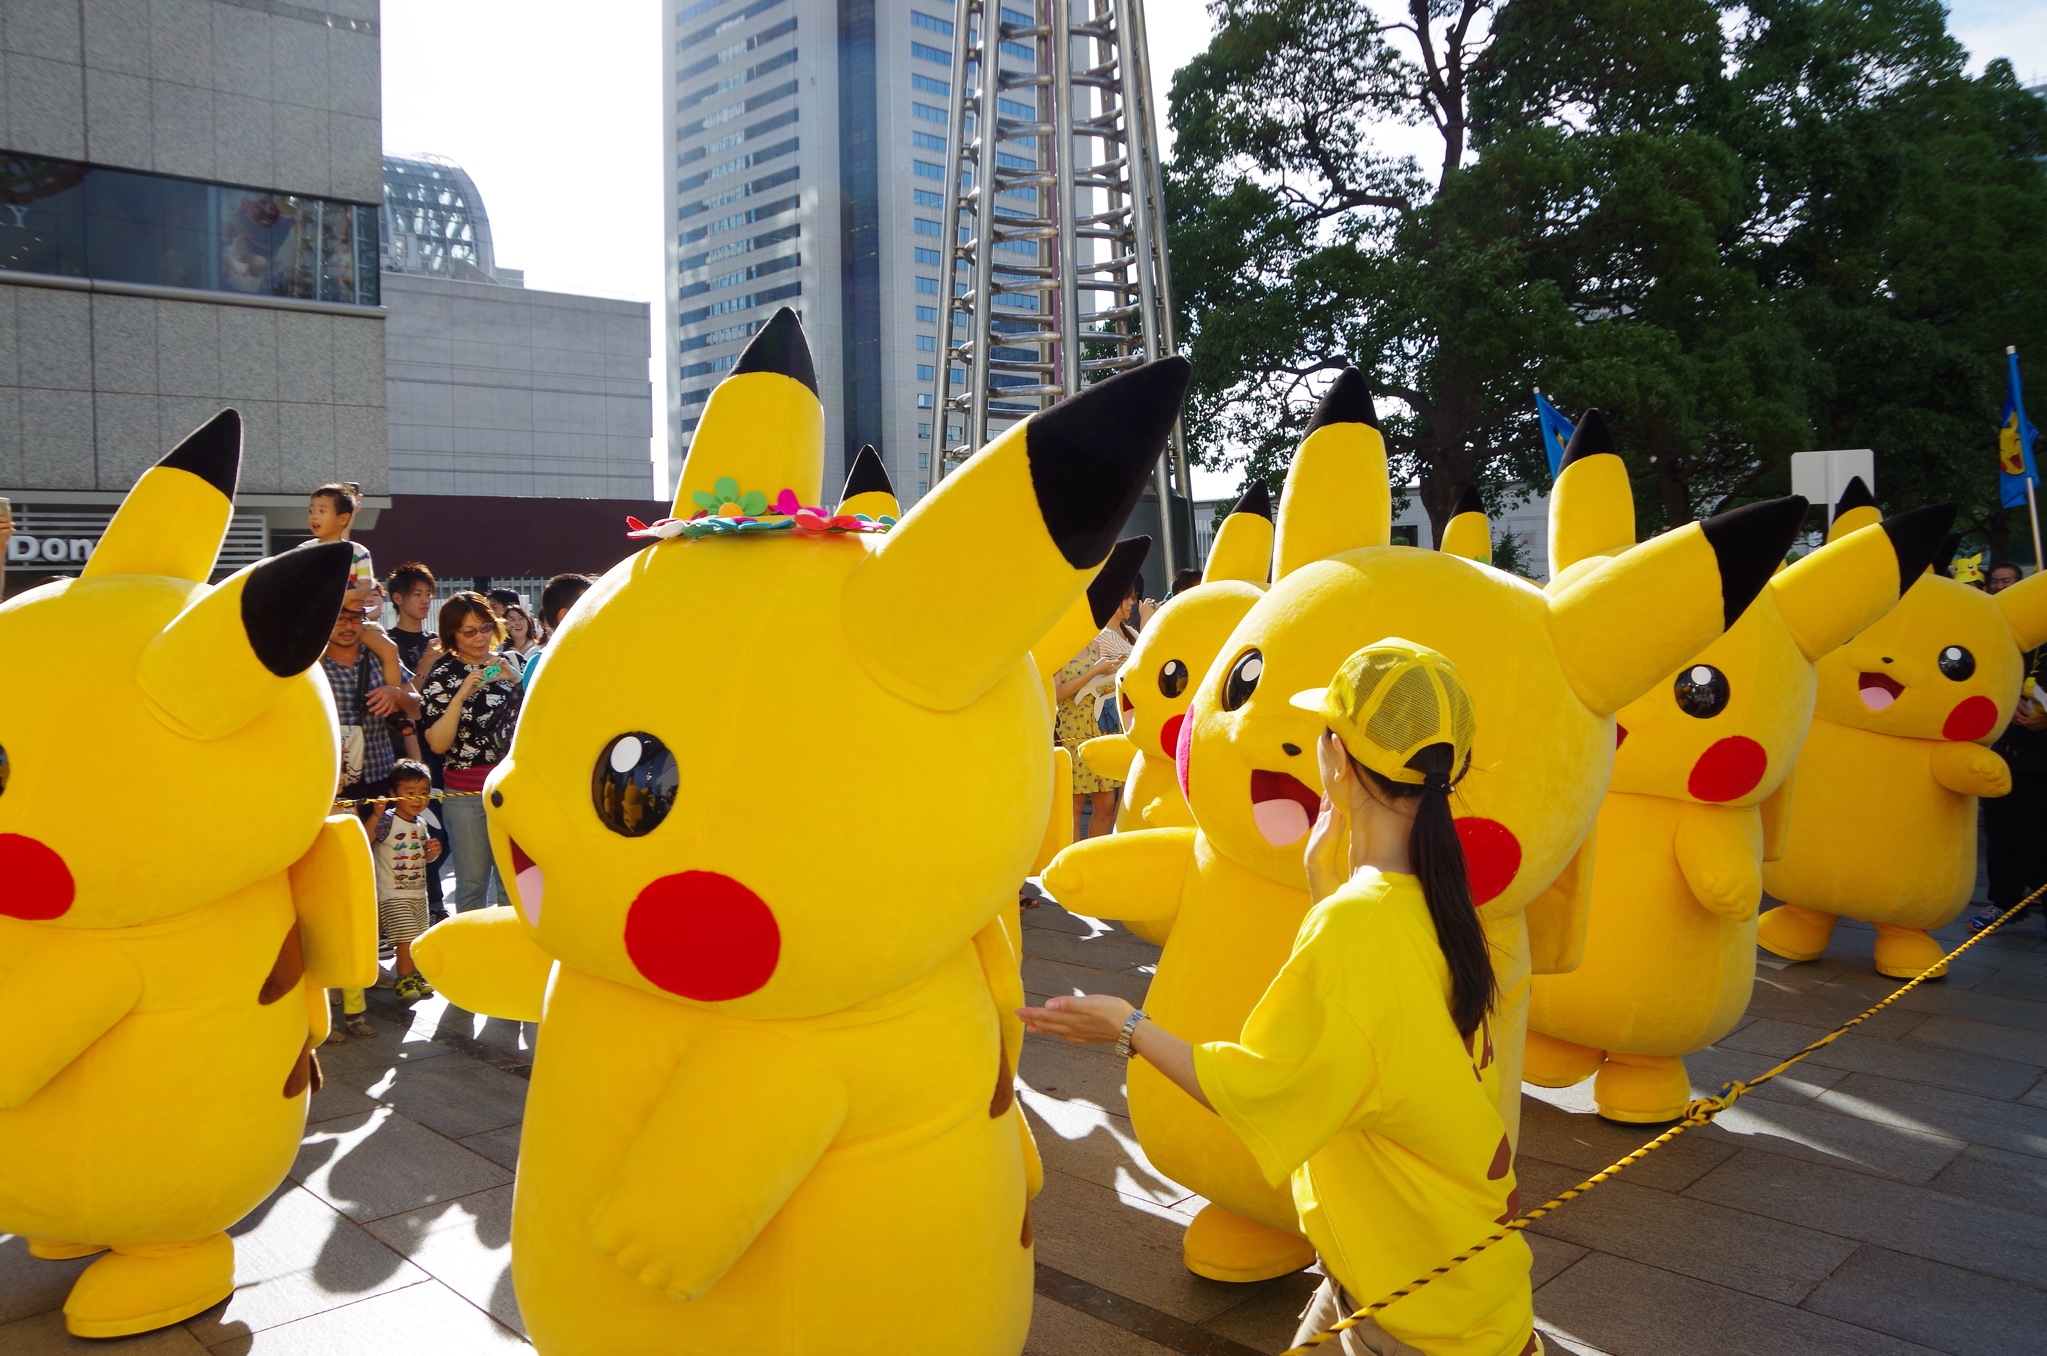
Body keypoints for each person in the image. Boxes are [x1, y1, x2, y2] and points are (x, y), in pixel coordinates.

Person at [1021, 640, 1538, 1356]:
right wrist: (1327, 883)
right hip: (1439, 1267)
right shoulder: (1438, 899)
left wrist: (1127, 1026)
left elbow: (1260, 1087)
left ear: (1336, 757)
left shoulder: (1359, 923)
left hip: (1411, 1305)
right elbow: (1370, 1027)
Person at [420, 592, 524, 912]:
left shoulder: (509, 662)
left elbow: (537, 719)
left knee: (513, 885)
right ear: (452, 634)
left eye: (485, 628)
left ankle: (512, 943)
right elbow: (438, 744)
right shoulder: (442, 676)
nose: (480, 638)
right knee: (472, 885)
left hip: (511, 788)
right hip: (464, 793)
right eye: (469, 632)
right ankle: (472, 944)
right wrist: (461, 695)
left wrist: (516, 679)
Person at [1972, 561, 2047, 931]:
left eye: (2008, 582)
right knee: (2002, 834)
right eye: (1996, 582)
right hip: (2006, 752)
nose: (2001, 587)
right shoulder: (1993, 633)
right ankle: (2005, 903)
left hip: (2042, 755)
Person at [371, 760, 442, 1002]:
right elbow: (367, 838)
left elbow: (425, 857)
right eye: (410, 793)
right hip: (393, 893)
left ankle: (414, 974)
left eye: (423, 793)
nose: (417, 799)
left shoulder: (421, 823)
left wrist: (433, 852)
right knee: (405, 938)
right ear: (394, 793)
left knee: (417, 936)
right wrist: (376, 816)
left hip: (418, 893)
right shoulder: (387, 819)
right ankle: (403, 978)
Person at [518, 573, 595, 691]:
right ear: (564, 615)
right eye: (589, 606)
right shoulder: (539, 664)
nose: (596, 612)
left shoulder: (602, 652)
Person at [385, 561, 439, 673]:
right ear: (397, 598)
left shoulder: (436, 641)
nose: (425, 600)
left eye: (428, 594)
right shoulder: (387, 642)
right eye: (417, 594)